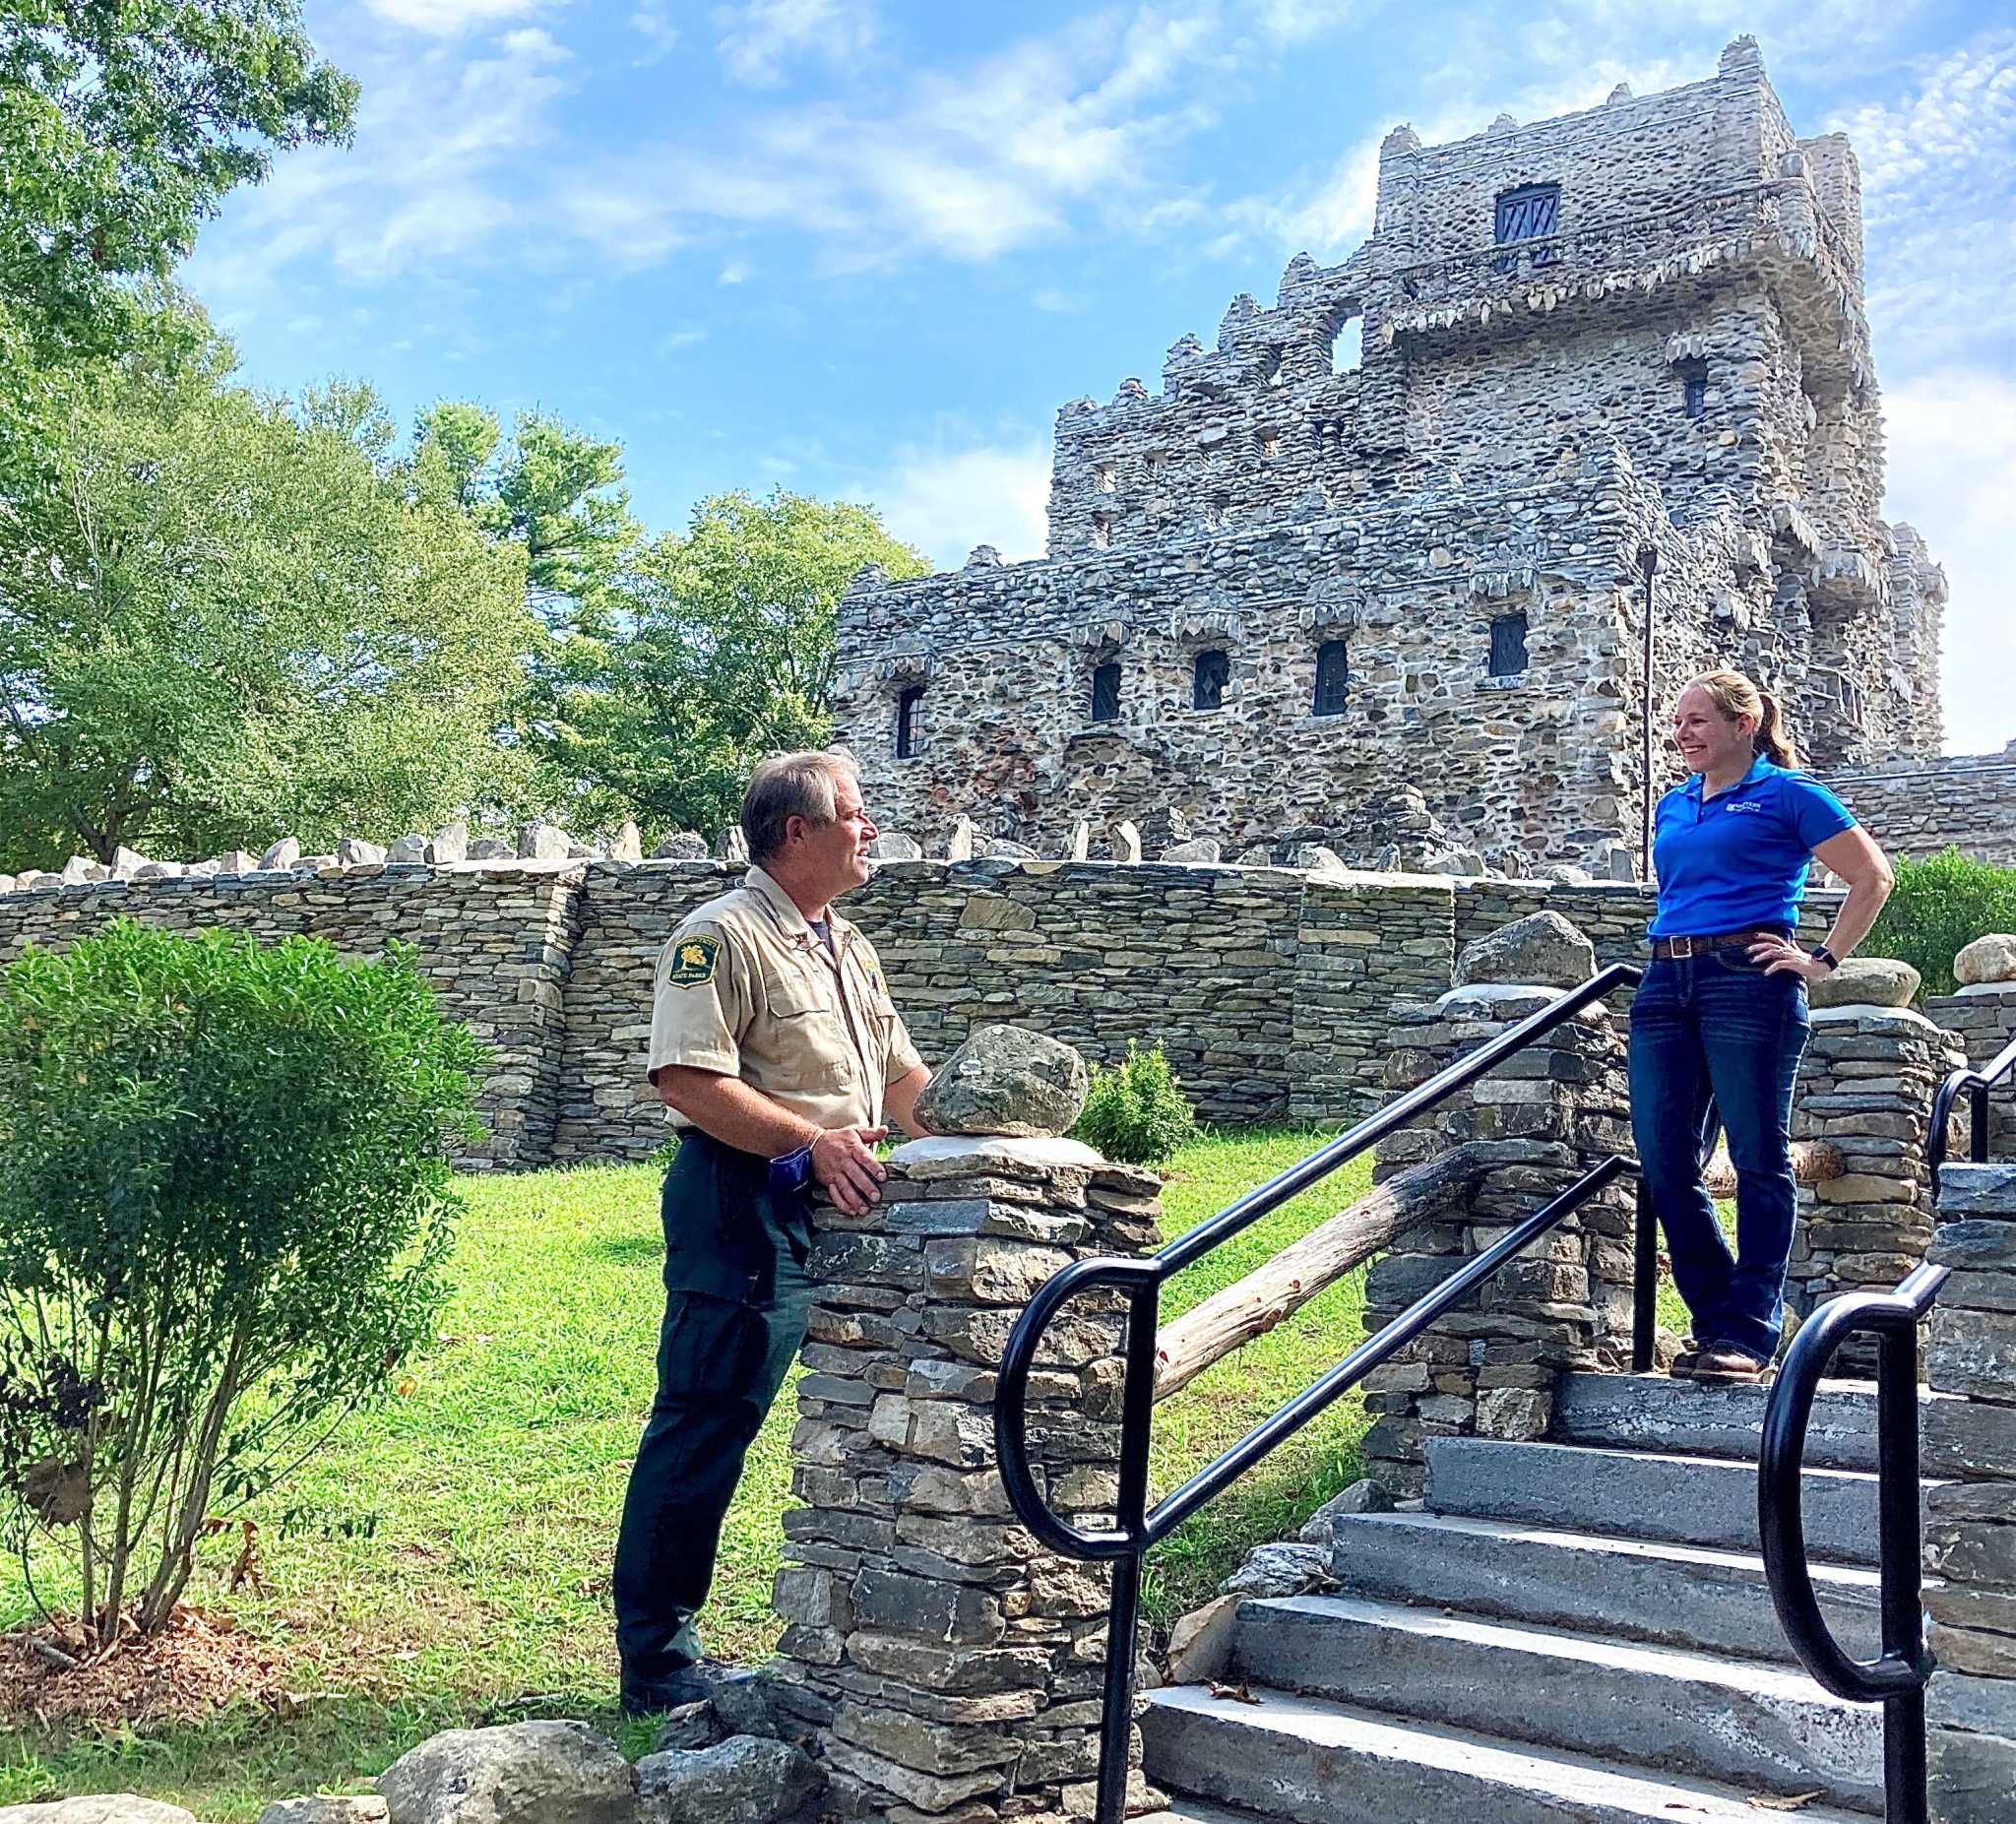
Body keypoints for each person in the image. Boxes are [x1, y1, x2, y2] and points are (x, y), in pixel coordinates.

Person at [612, 750, 933, 1714]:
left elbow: (901, 1085)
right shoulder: (719, 935)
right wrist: (810, 1141)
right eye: (853, 814)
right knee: (705, 1419)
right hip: (740, 1198)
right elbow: (687, 1079)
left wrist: (1011, 1141)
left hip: (842, 1199)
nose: (868, 829)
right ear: (796, 830)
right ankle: (658, 1666)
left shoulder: (848, 945)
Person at [1628, 670, 1894, 1385]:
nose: (1681, 733)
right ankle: (1717, 1318)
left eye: (1696, 720)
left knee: (1756, 1156)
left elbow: (1871, 876)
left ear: (1744, 723)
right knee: (1662, 1159)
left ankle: (1747, 1333)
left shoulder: (1787, 793)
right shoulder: (1674, 805)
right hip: (1664, 982)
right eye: (1677, 722)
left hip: (1750, 980)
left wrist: (1822, 959)